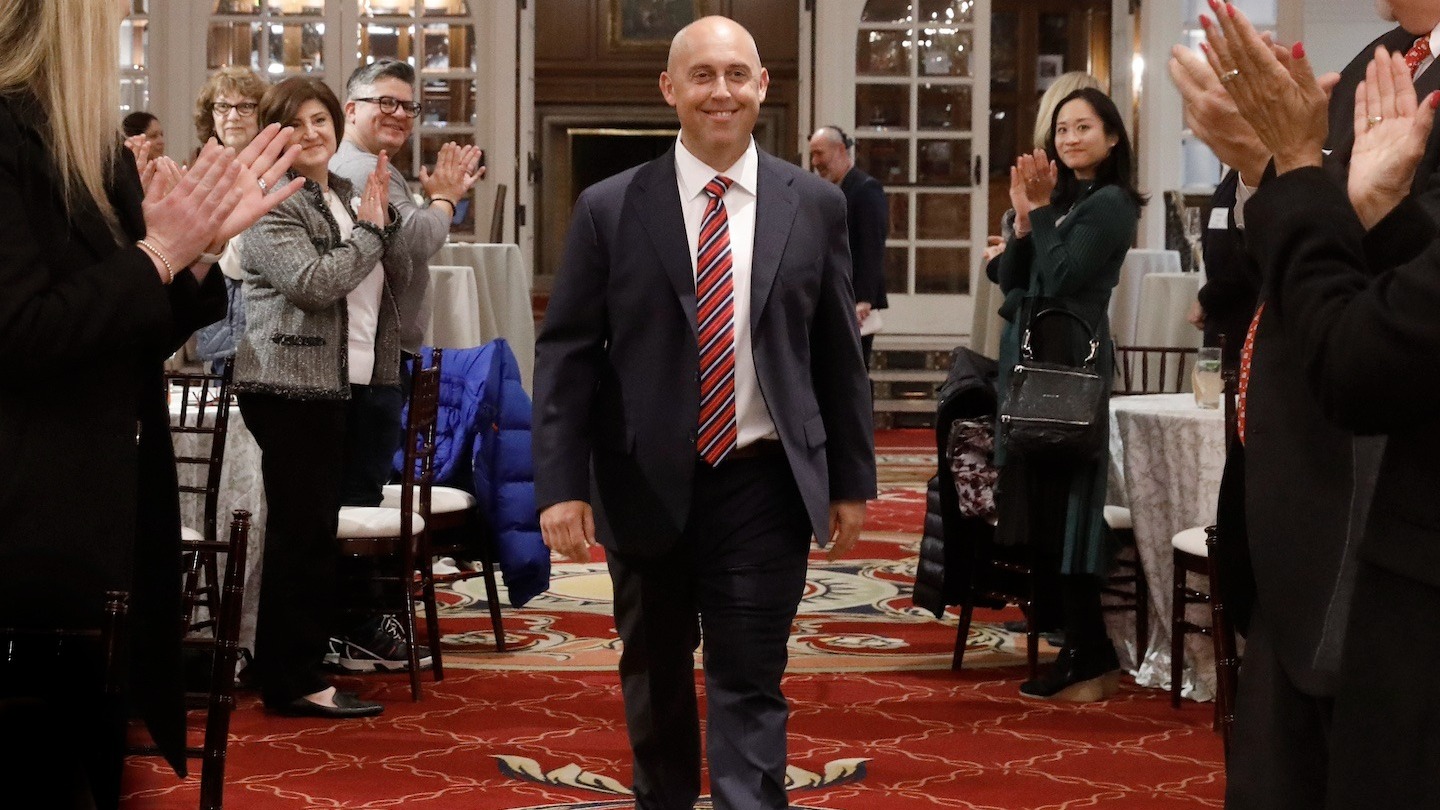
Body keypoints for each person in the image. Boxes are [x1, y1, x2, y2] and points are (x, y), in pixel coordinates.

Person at [532, 16, 875, 809]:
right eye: (701, 76)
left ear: (761, 85)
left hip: (764, 485)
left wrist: (850, 478)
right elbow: (569, 354)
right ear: (670, 91)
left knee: (749, 680)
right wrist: (560, 484)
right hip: (642, 484)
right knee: (653, 680)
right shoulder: (609, 207)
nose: (719, 91)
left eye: (734, 74)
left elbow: (836, 356)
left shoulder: (816, 204)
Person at [0, 0, 300, 805]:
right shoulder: (11, 132)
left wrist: (193, 259)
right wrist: (158, 253)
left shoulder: (81, 140)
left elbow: (119, 326)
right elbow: (21, 332)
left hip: (93, 527)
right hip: (29, 531)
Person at [1170, 1, 1440, 804]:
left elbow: (1384, 331)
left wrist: (1289, 167)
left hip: (1382, 509)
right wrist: (1270, 170)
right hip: (1307, 509)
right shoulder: (1379, 60)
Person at [233, 76, 411, 717]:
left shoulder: (337, 193)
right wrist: (369, 232)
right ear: (271, 134)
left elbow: (380, 278)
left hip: (347, 381)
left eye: (321, 120)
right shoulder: (269, 201)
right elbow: (312, 283)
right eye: (296, 122)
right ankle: (292, 680)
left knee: (315, 535)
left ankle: (306, 663)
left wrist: (381, 222)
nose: (312, 133)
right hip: (289, 383)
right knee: (299, 536)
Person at [989, 87, 1145, 702]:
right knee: (1046, 514)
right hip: (1037, 364)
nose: (1070, 138)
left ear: (1112, 138)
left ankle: (1089, 649)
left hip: (1070, 369)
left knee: (1070, 514)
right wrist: (1026, 217)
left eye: (1084, 127)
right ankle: (1076, 644)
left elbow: (1060, 277)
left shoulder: (1109, 205)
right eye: (1061, 129)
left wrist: (1041, 213)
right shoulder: (1069, 201)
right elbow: (1010, 277)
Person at [326, 58, 483, 665]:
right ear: (352, 109)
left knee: (361, 489)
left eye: (407, 106)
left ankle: (363, 618)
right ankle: (357, 624)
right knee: (356, 495)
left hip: (383, 354)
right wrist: (444, 200)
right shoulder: (355, 168)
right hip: (364, 359)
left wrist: (432, 202)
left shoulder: (378, 167)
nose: (397, 114)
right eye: (383, 102)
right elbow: (416, 240)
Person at [191, 66, 270, 372]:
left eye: (245, 106)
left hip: (261, 320)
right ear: (211, 116)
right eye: (223, 106)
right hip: (216, 317)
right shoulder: (202, 174)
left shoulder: (275, 174)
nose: (233, 115)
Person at [808, 124, 888, 364]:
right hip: (832, 298)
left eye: (820, 153)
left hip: (856, 301)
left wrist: (864, 298)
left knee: (854, 369)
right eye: (813, 154)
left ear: (840, 150)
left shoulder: (866, 189)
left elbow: (871, 246)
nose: (815, 162)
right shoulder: (828, 190)